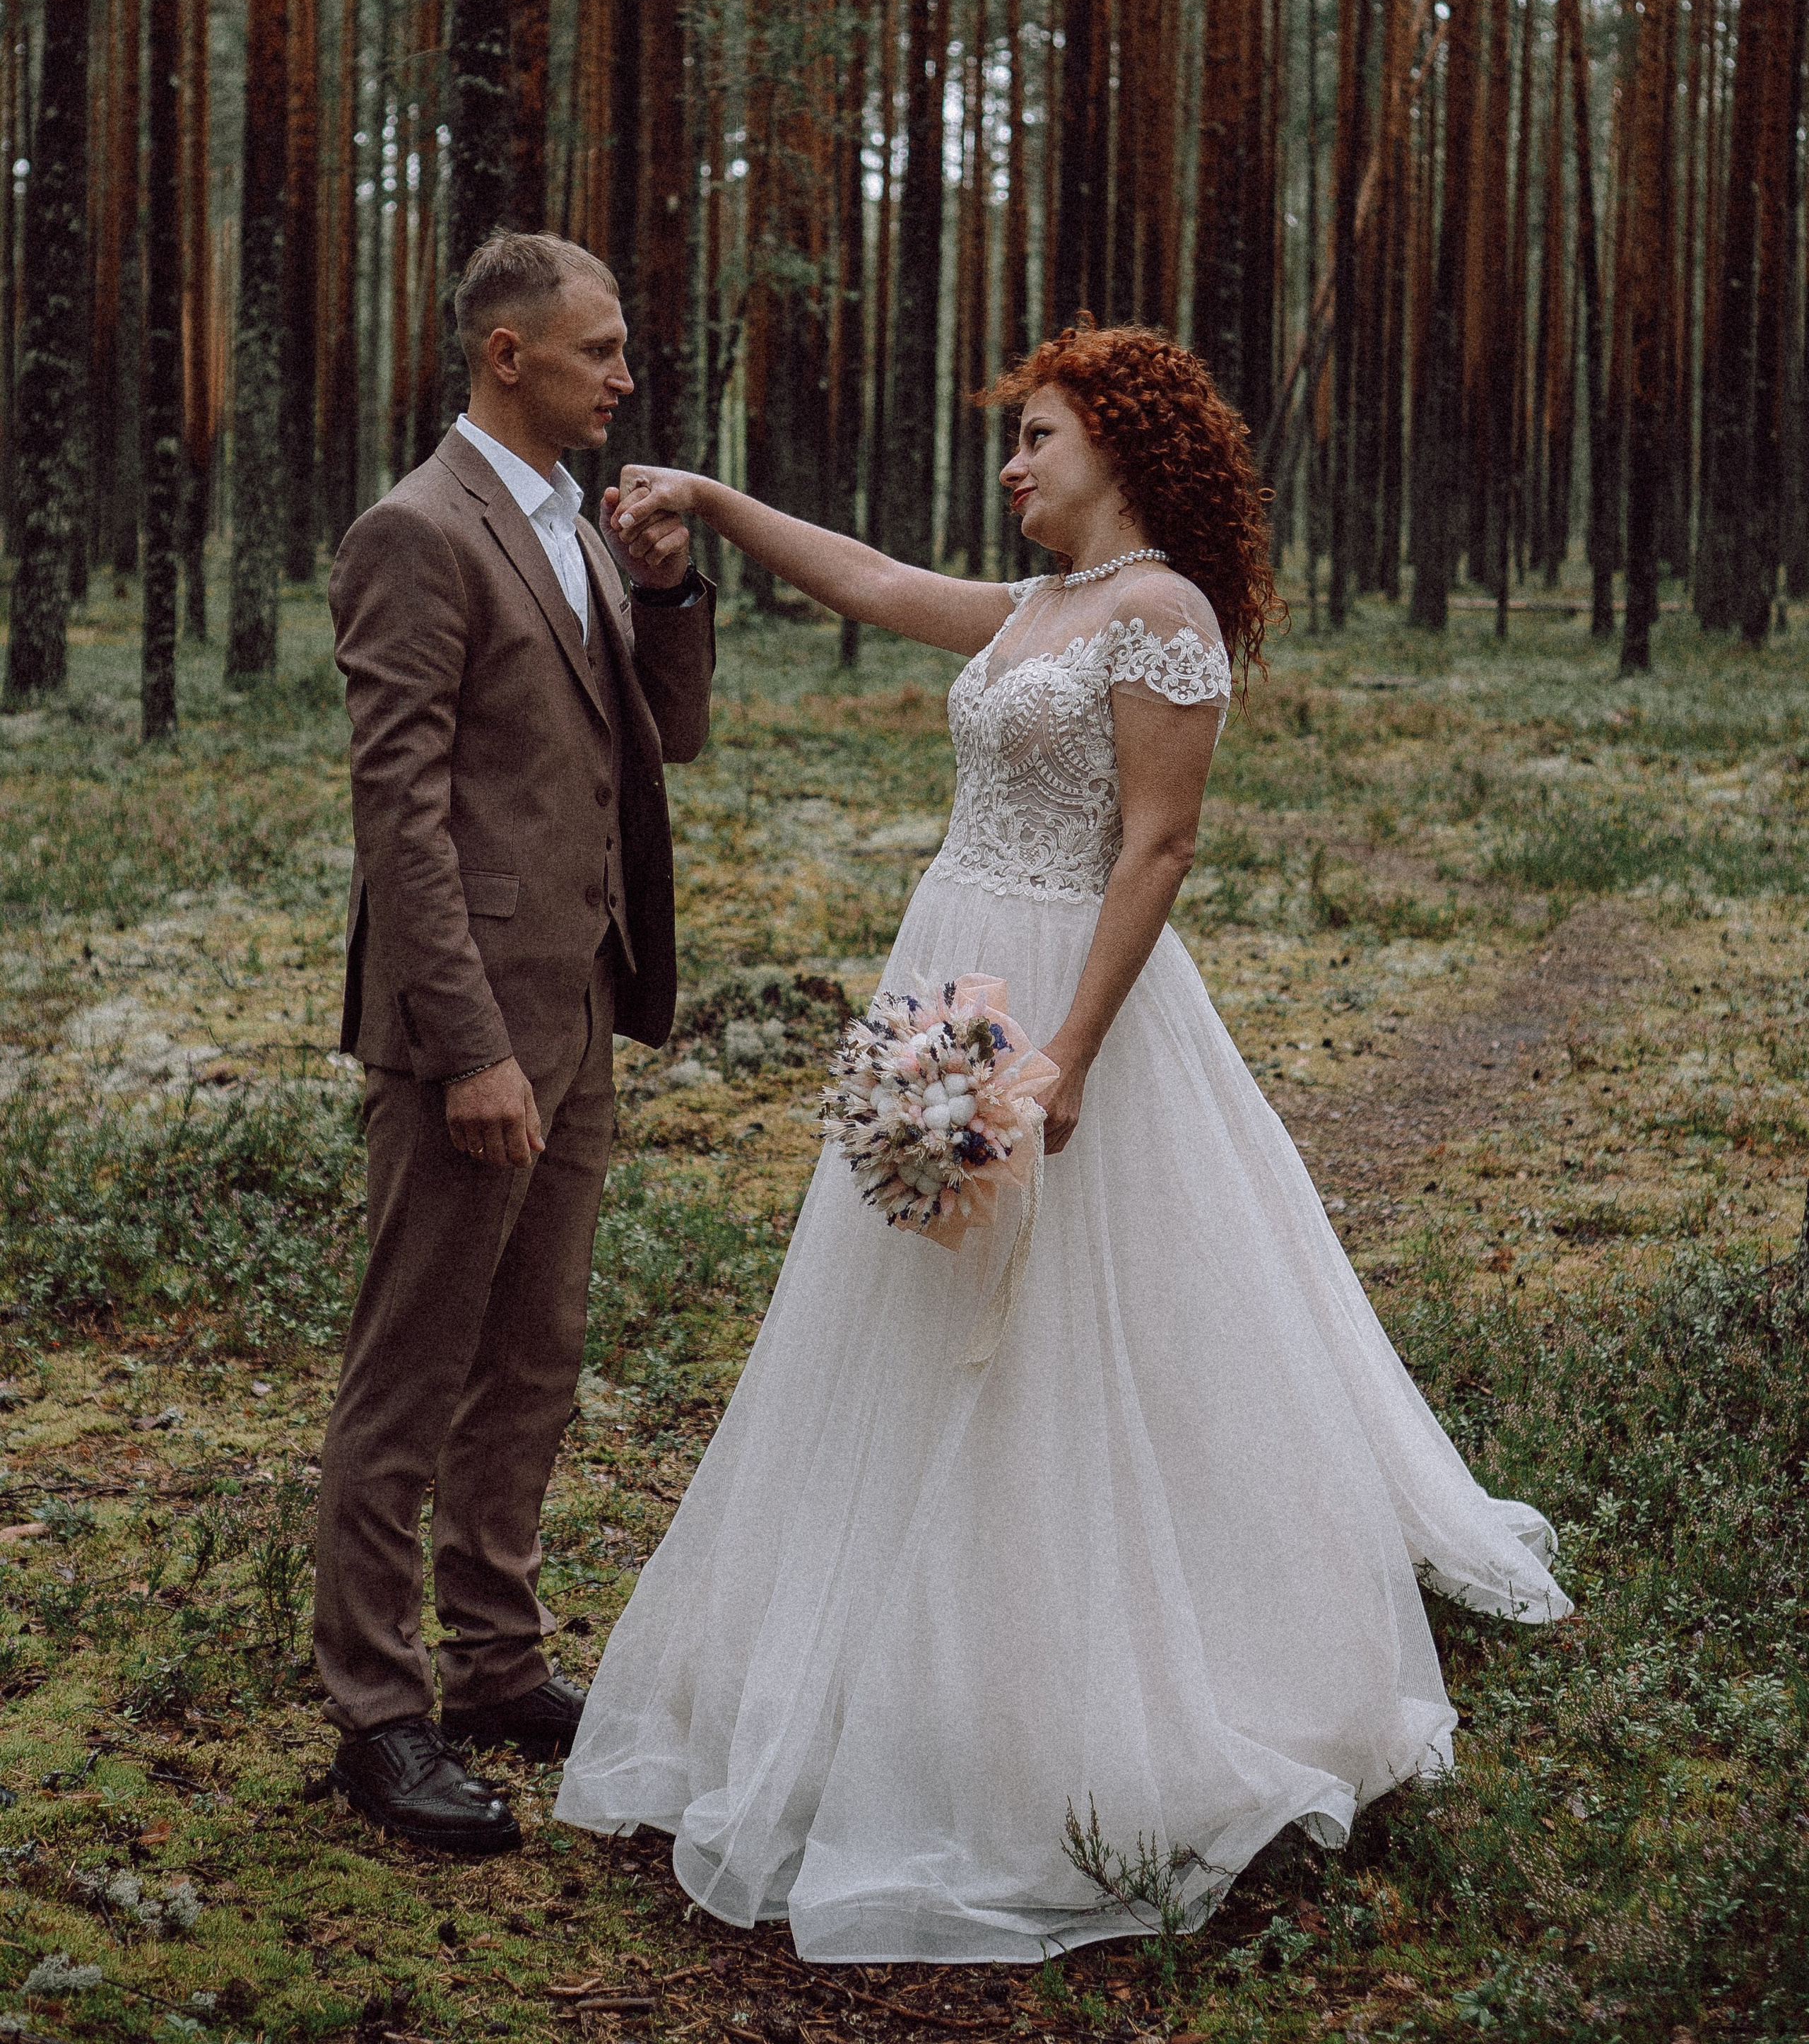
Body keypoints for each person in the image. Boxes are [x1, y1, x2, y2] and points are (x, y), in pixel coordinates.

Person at [555, 321, 1570, 1961]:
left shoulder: (1160, 616)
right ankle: (899, 1657)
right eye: (1010, 440)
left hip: (1068, 995)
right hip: (947, 966)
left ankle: (1101, 1675)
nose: (1013, 466)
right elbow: (879, 584)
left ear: (1117, 443)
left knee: (1082, 1326)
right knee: (909, 1311)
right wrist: (720, 506)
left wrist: (1069, 1054)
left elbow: (1157, 850)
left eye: (1037, 437)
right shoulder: (1035, 609)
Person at [315, 230, 715, 1857]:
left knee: (535, 1364)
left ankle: (492, 1662)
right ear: (507, 356)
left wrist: (671, 586)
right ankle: (375, 1716)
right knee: (407, 1371)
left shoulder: (575, 524)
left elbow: (662, 739)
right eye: (599, 350)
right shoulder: (417, 533)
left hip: (581, 1008)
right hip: (465, 1033)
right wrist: (467, 1046)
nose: (623, 378)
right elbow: (397, 812)